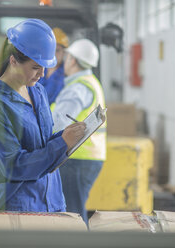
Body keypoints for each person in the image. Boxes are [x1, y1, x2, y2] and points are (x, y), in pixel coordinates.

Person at [0, 19, 86, 212]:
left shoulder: (37, 91)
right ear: (13, 61)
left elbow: (40, 144)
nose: (42, 74)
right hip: (17, 206)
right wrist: (61, 144)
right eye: (36, 67)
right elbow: (13, 166)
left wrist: (66, 138)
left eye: (45, 67)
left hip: (51, 201)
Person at [50, 39, 107, 224]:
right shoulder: (91, 82)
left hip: (77, 159)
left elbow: (59, 122)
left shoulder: (78, 88)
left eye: (66, 57)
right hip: (88, 158)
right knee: (74, 212)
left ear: (73, 60)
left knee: (72, 216)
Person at [39, 27, 69, 105]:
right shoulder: (38, 69)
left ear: (64, 52)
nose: (53, 54)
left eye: (57, 50)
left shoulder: (67, 74)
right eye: (51, 49)